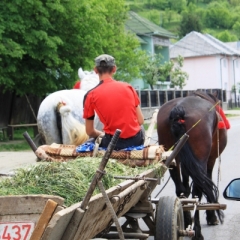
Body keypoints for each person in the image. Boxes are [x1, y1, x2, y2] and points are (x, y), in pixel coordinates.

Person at [83, 54, 144, 150]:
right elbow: (140, 121)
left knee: (89, 142)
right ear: (114, 69)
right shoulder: (128, 87)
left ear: (95, 70)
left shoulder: (90, 95)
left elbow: (90, 131)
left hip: (113, 143)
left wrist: (102, 134)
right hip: (137, 140)